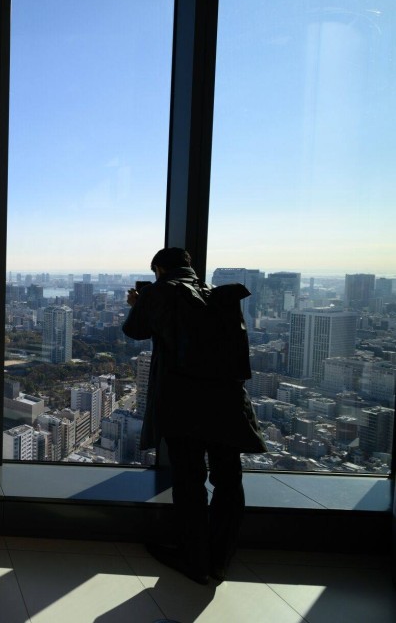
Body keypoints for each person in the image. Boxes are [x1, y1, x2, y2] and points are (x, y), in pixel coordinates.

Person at [122, 247, 266, 584]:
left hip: (183, 401)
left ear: (158, 269)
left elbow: (134, 330)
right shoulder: (219, 296)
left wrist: (137, 302)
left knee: (189, 480)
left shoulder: (160, 292)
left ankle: (194, 557)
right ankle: (220, 557)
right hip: (228, 401)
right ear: (189, 267)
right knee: (228, 480)